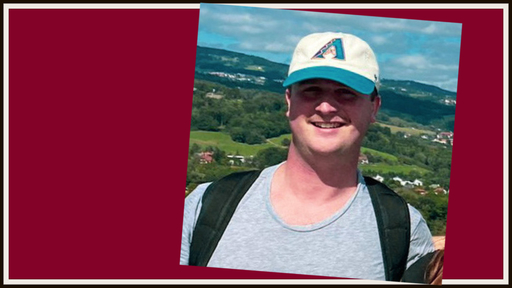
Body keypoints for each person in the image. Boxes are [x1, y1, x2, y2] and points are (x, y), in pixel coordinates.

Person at [180, 32, 435, 281]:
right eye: (311, 90)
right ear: (289, 100)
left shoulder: (403, 230)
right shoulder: (206, 206)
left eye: (346, 92)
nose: (326, 107)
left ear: (374, 107)